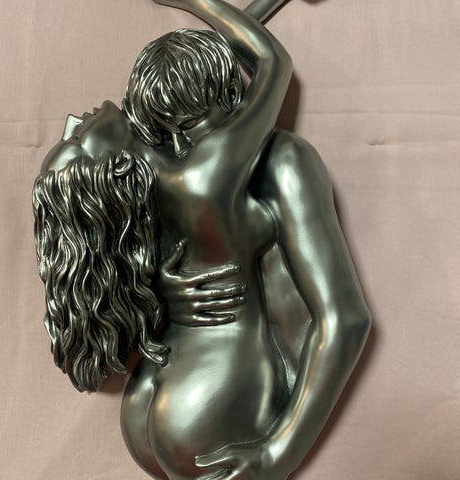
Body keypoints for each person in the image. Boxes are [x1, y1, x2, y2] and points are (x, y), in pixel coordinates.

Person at [33, 1, 372, 479]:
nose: (77, 118)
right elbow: (269, 63)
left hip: (147, 404)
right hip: (214, 404)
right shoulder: (230, 165)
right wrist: (276, 454)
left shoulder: (143, 176)